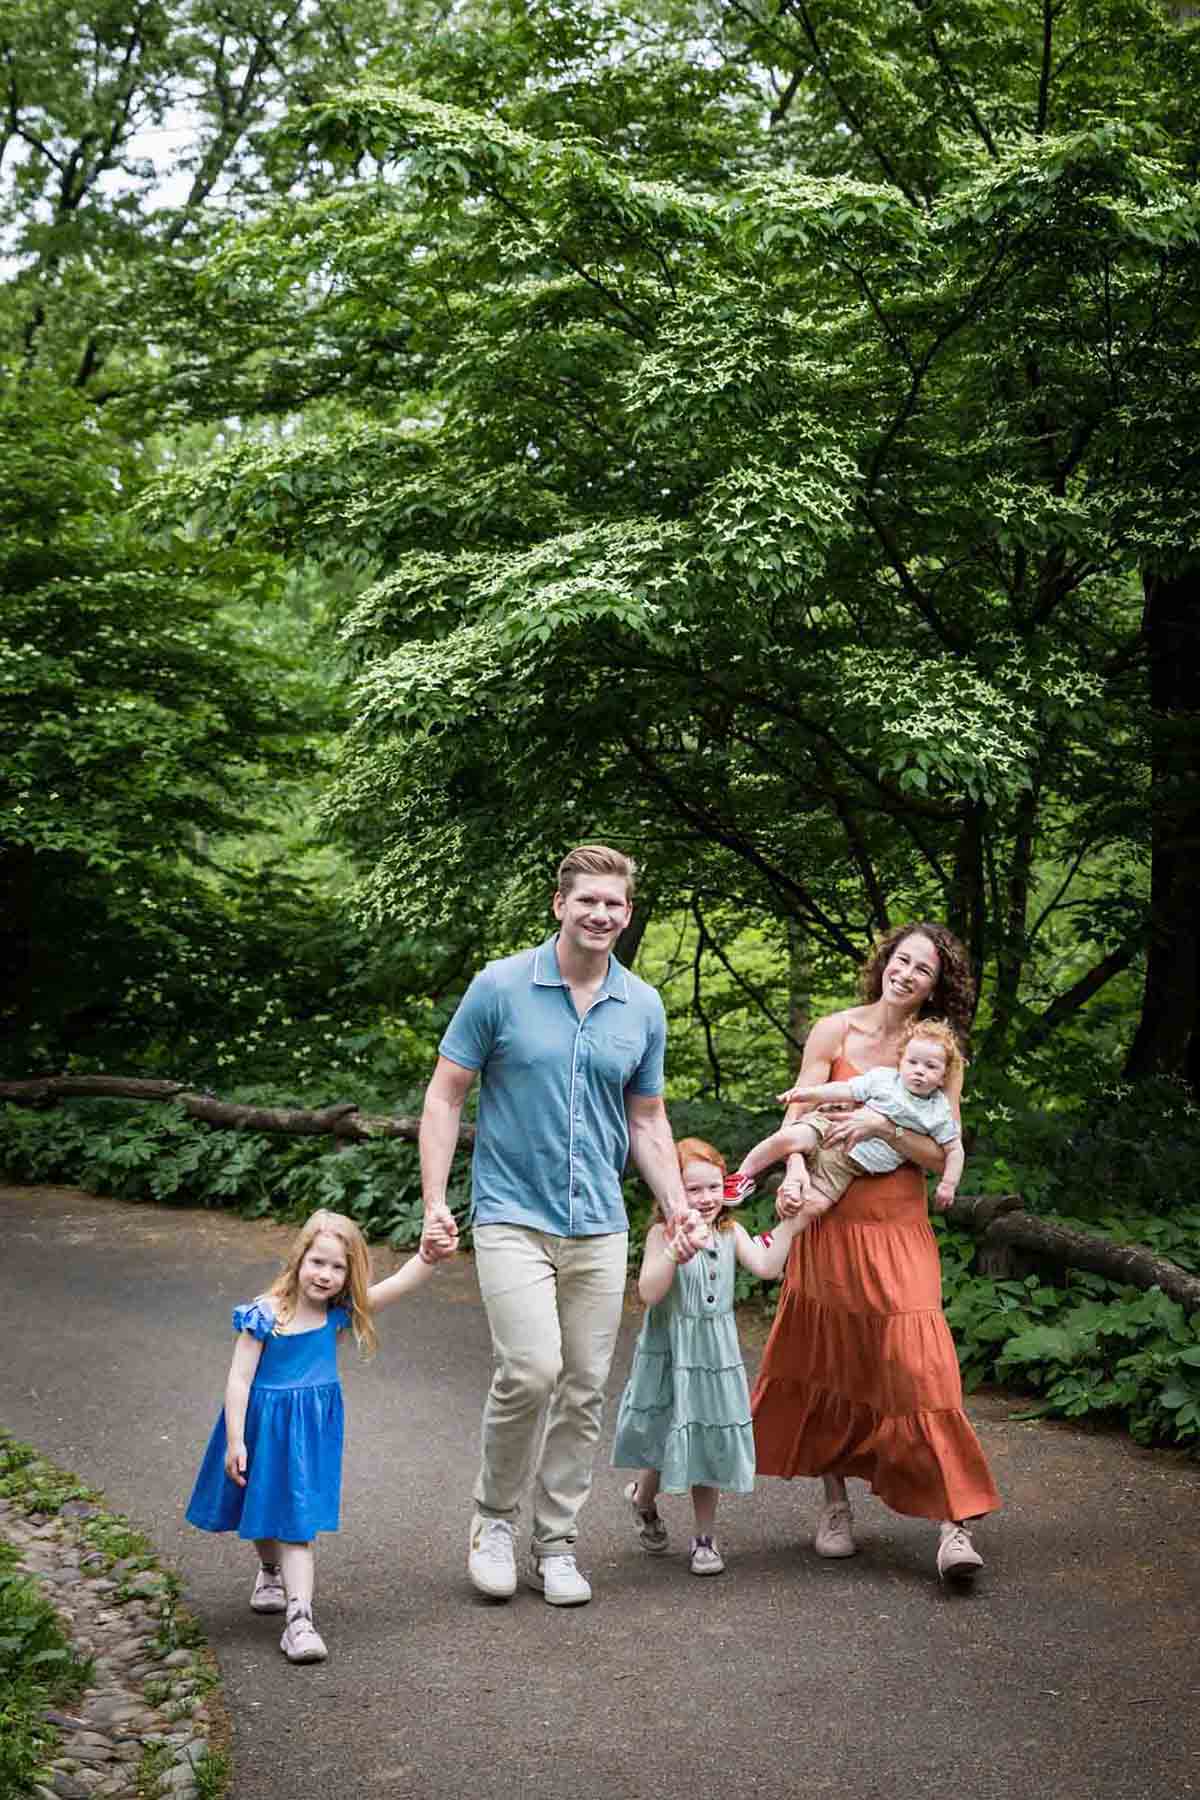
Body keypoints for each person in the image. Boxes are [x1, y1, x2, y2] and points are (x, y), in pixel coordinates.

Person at [418, 844, 706, 1607]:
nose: (602, 914)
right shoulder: (501, 987)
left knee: (582, 1388)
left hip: (601, 1226)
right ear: (559, 905)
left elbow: (646, 1119)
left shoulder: (641, 1005)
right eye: (589, 901)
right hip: (512, 1215)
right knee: (532, 1371)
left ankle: (557, 1542)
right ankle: (493, 1524)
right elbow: (446, 1096)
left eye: (615, 904)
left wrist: (677, 1205)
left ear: (628, 913)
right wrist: (435, 1199)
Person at [746, 924, 1000, 1584]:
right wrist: (796, 1171)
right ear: (885, 962)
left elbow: (943, 1153)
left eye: (925, 969)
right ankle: (834, 1507)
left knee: (923, 1367)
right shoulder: (834, 1032)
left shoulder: (938, 1051)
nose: (908, 973)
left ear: (937, 985)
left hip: (898, 1225)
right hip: (830, 1224)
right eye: (903, 959)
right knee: (830, 1358)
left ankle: (955, 1525)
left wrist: (884, 1125)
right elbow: (796, 1115)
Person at [186, 1207, 452, 1662]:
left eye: (337, 1267)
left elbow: (398, 1285)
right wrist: (236, 1440)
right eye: (318, 1262)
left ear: (349, 1275)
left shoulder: (339, 1315)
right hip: (259, 1428)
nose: (325, 1275)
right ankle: (269, 1571)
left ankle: (300, 1618)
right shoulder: (265, 1314)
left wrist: (427, 1256)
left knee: (297, 1523)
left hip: (307, 1437)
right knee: (261, 1509)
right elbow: (239, 1380)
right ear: (299, 1259)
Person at [611, 1138, 805, 1576]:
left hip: (716, 1355)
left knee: (708, 1439)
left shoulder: (729, 1232)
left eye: (714, 1187)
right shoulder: (663, 1233)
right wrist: (676, 1253)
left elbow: (766, 1266)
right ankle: (643, 1501)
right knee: (667, 1437)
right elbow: (649, 1292)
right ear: (674, 1192)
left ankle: (703, 1537)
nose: (706, 1199)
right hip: (672, 1353)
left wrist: (792, 1225)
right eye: (694, 1190)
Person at [738, 1017, 965, 1225]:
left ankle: (775, 1238)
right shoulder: (885, 1080)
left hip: (850, 1164)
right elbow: (845, 1090)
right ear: (901, 1062)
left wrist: (948, 1184)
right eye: (913, 1062)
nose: (919, 1071)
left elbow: (954, 1150)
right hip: (831, 1129)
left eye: (930, 1066)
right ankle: (741, 1178)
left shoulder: (938, 1112)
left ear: (943, 1076)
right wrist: (806, 1094)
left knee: (814, 1206)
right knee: (787, 1138)